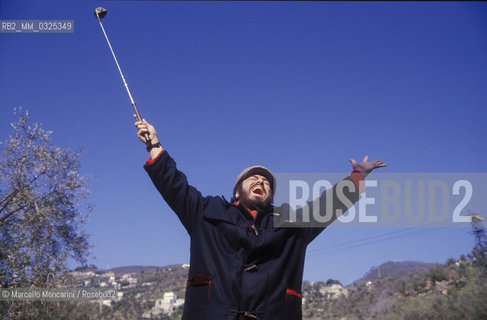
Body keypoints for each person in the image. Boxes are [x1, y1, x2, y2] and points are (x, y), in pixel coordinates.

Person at [135, 117, 386, 320]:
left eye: (266, 181)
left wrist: (357, 177)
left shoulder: (291, 224)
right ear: (236, 191)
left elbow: (327, 206)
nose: (260, 181)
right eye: (253, 178)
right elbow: (175, 187)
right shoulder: (206, 212)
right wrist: (154, 146)